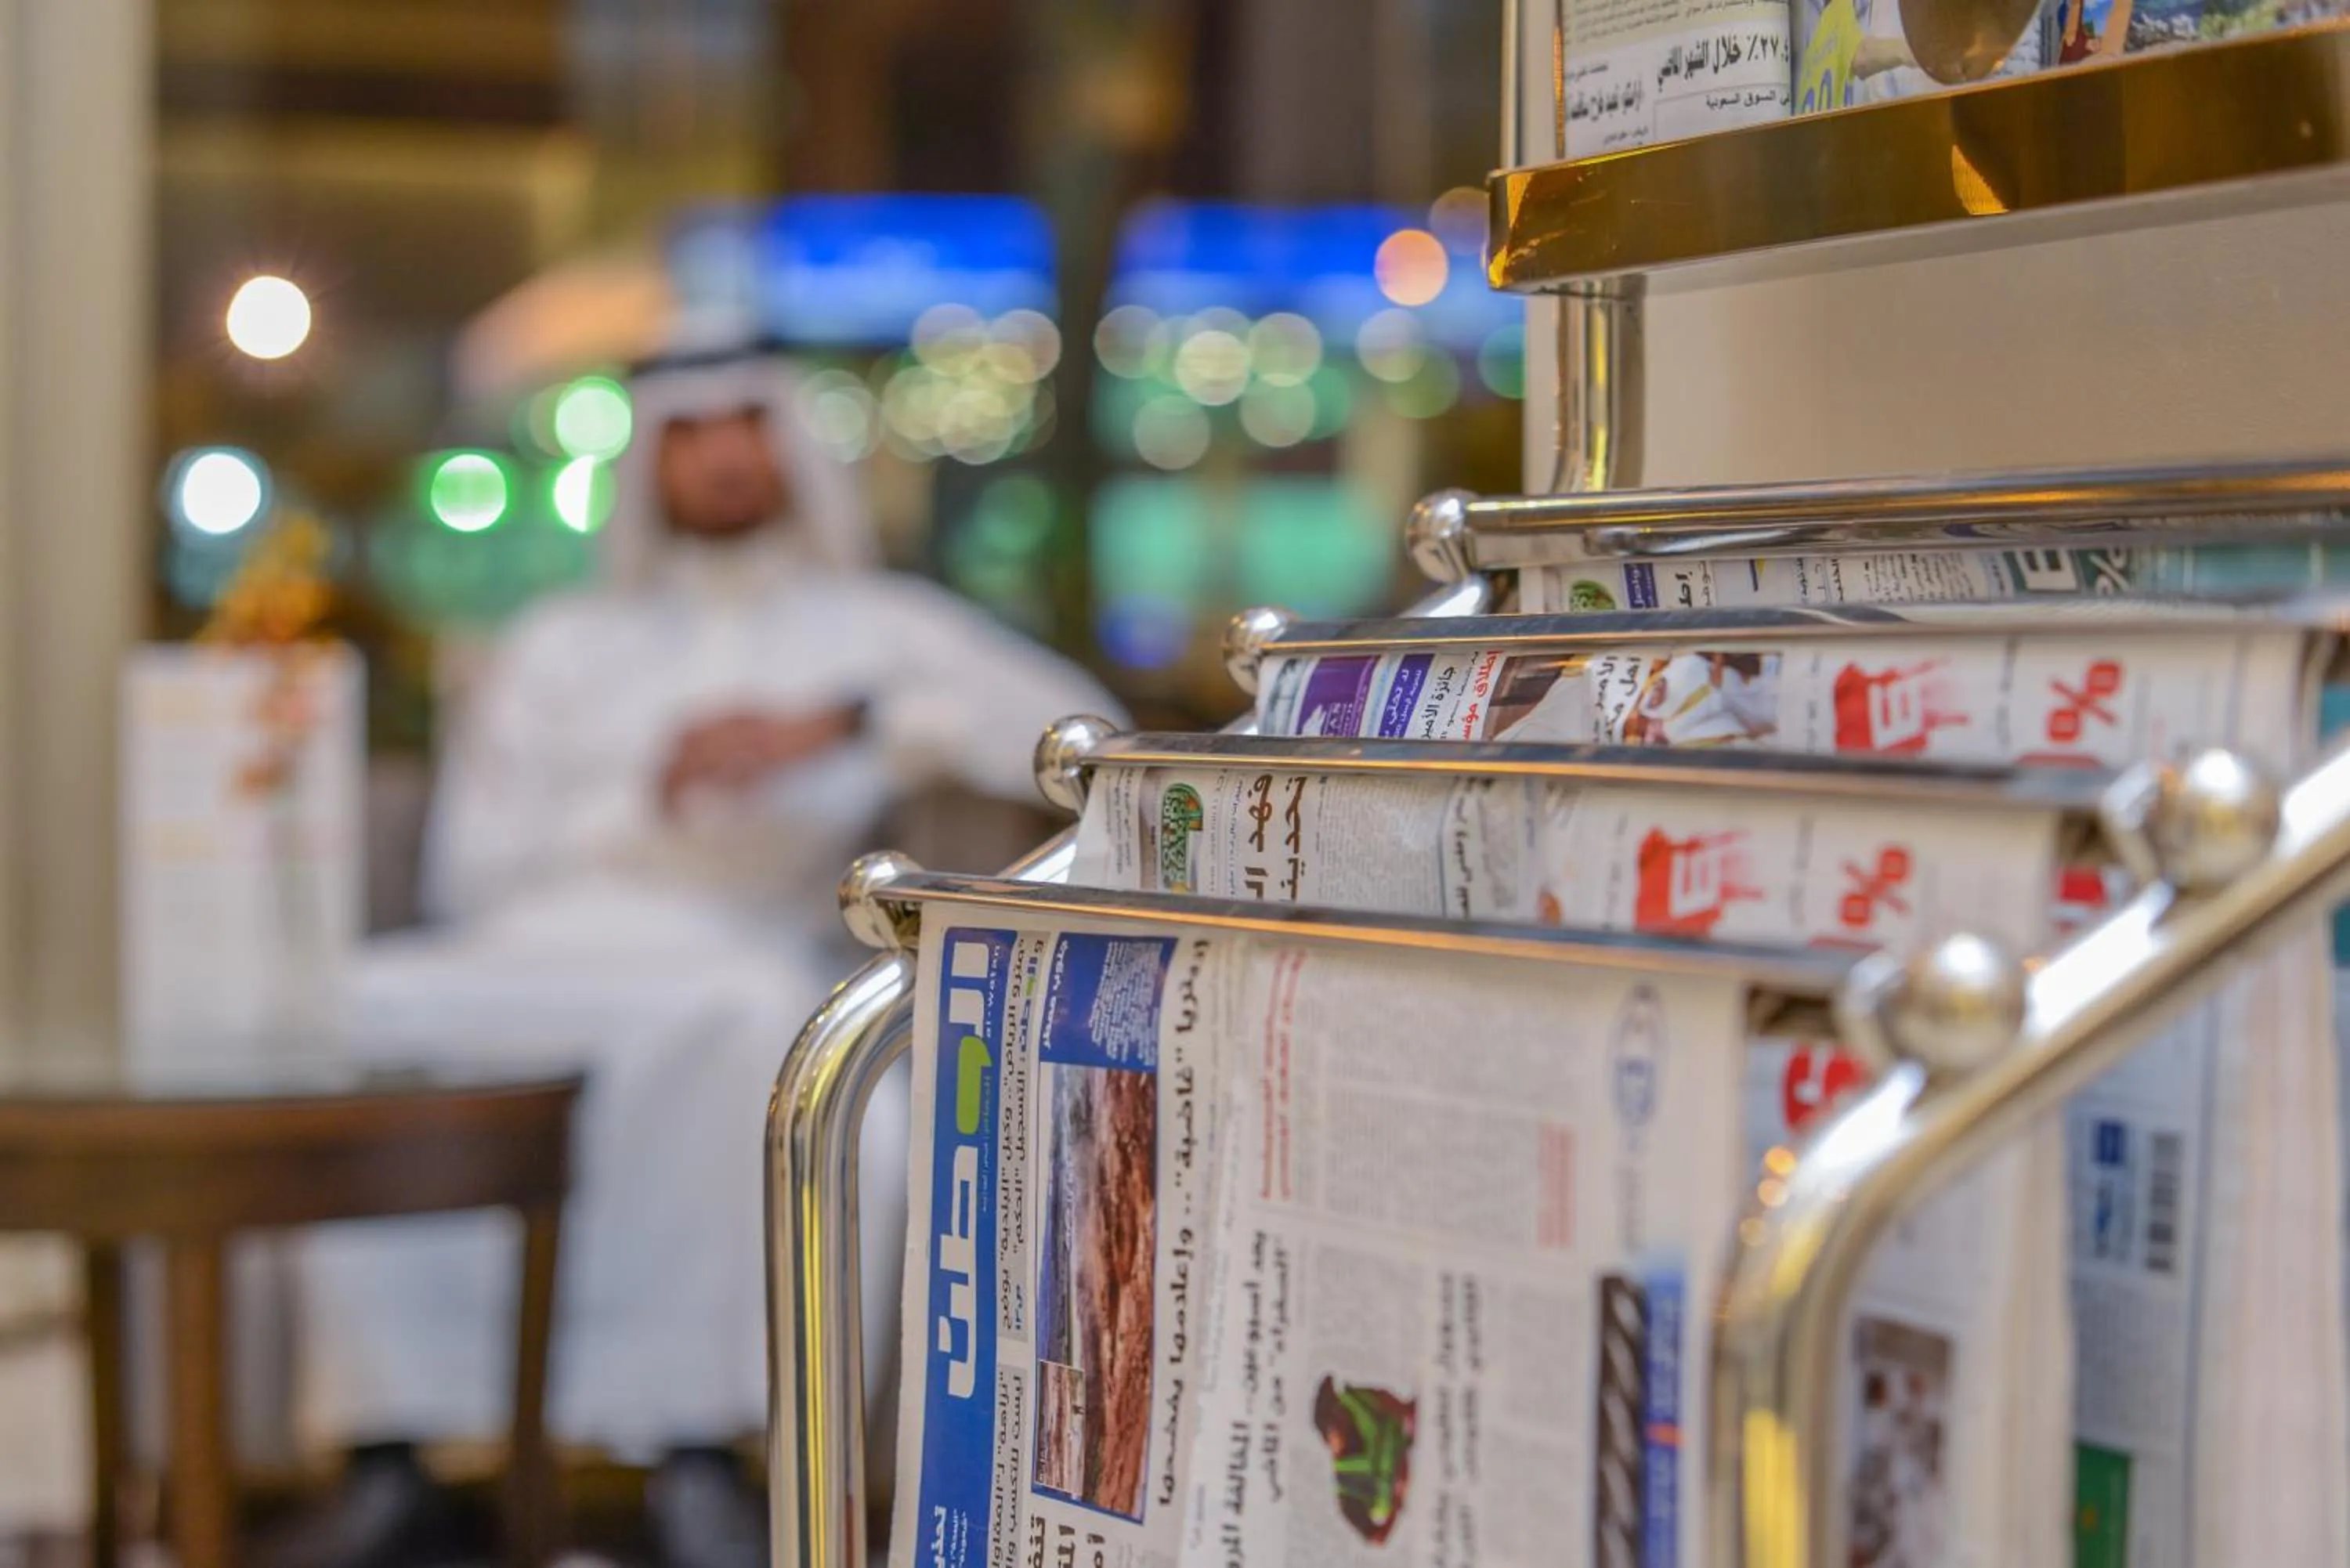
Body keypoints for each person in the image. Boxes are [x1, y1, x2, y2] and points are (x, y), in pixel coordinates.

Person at [279, 342, 1119, 1568]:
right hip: (536, 939)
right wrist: (654, 795)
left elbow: (1080, 736)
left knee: (743, 1033)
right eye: (690, 431)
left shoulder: (877, 627)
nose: (723, 456)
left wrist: (842, 720)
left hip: (742, 947)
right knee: (360, 1007)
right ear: (650, 458)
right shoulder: (561, 642)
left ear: (785, 443)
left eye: (745, 425)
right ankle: (390, 1445)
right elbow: (475, 866)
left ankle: (708, 1452)